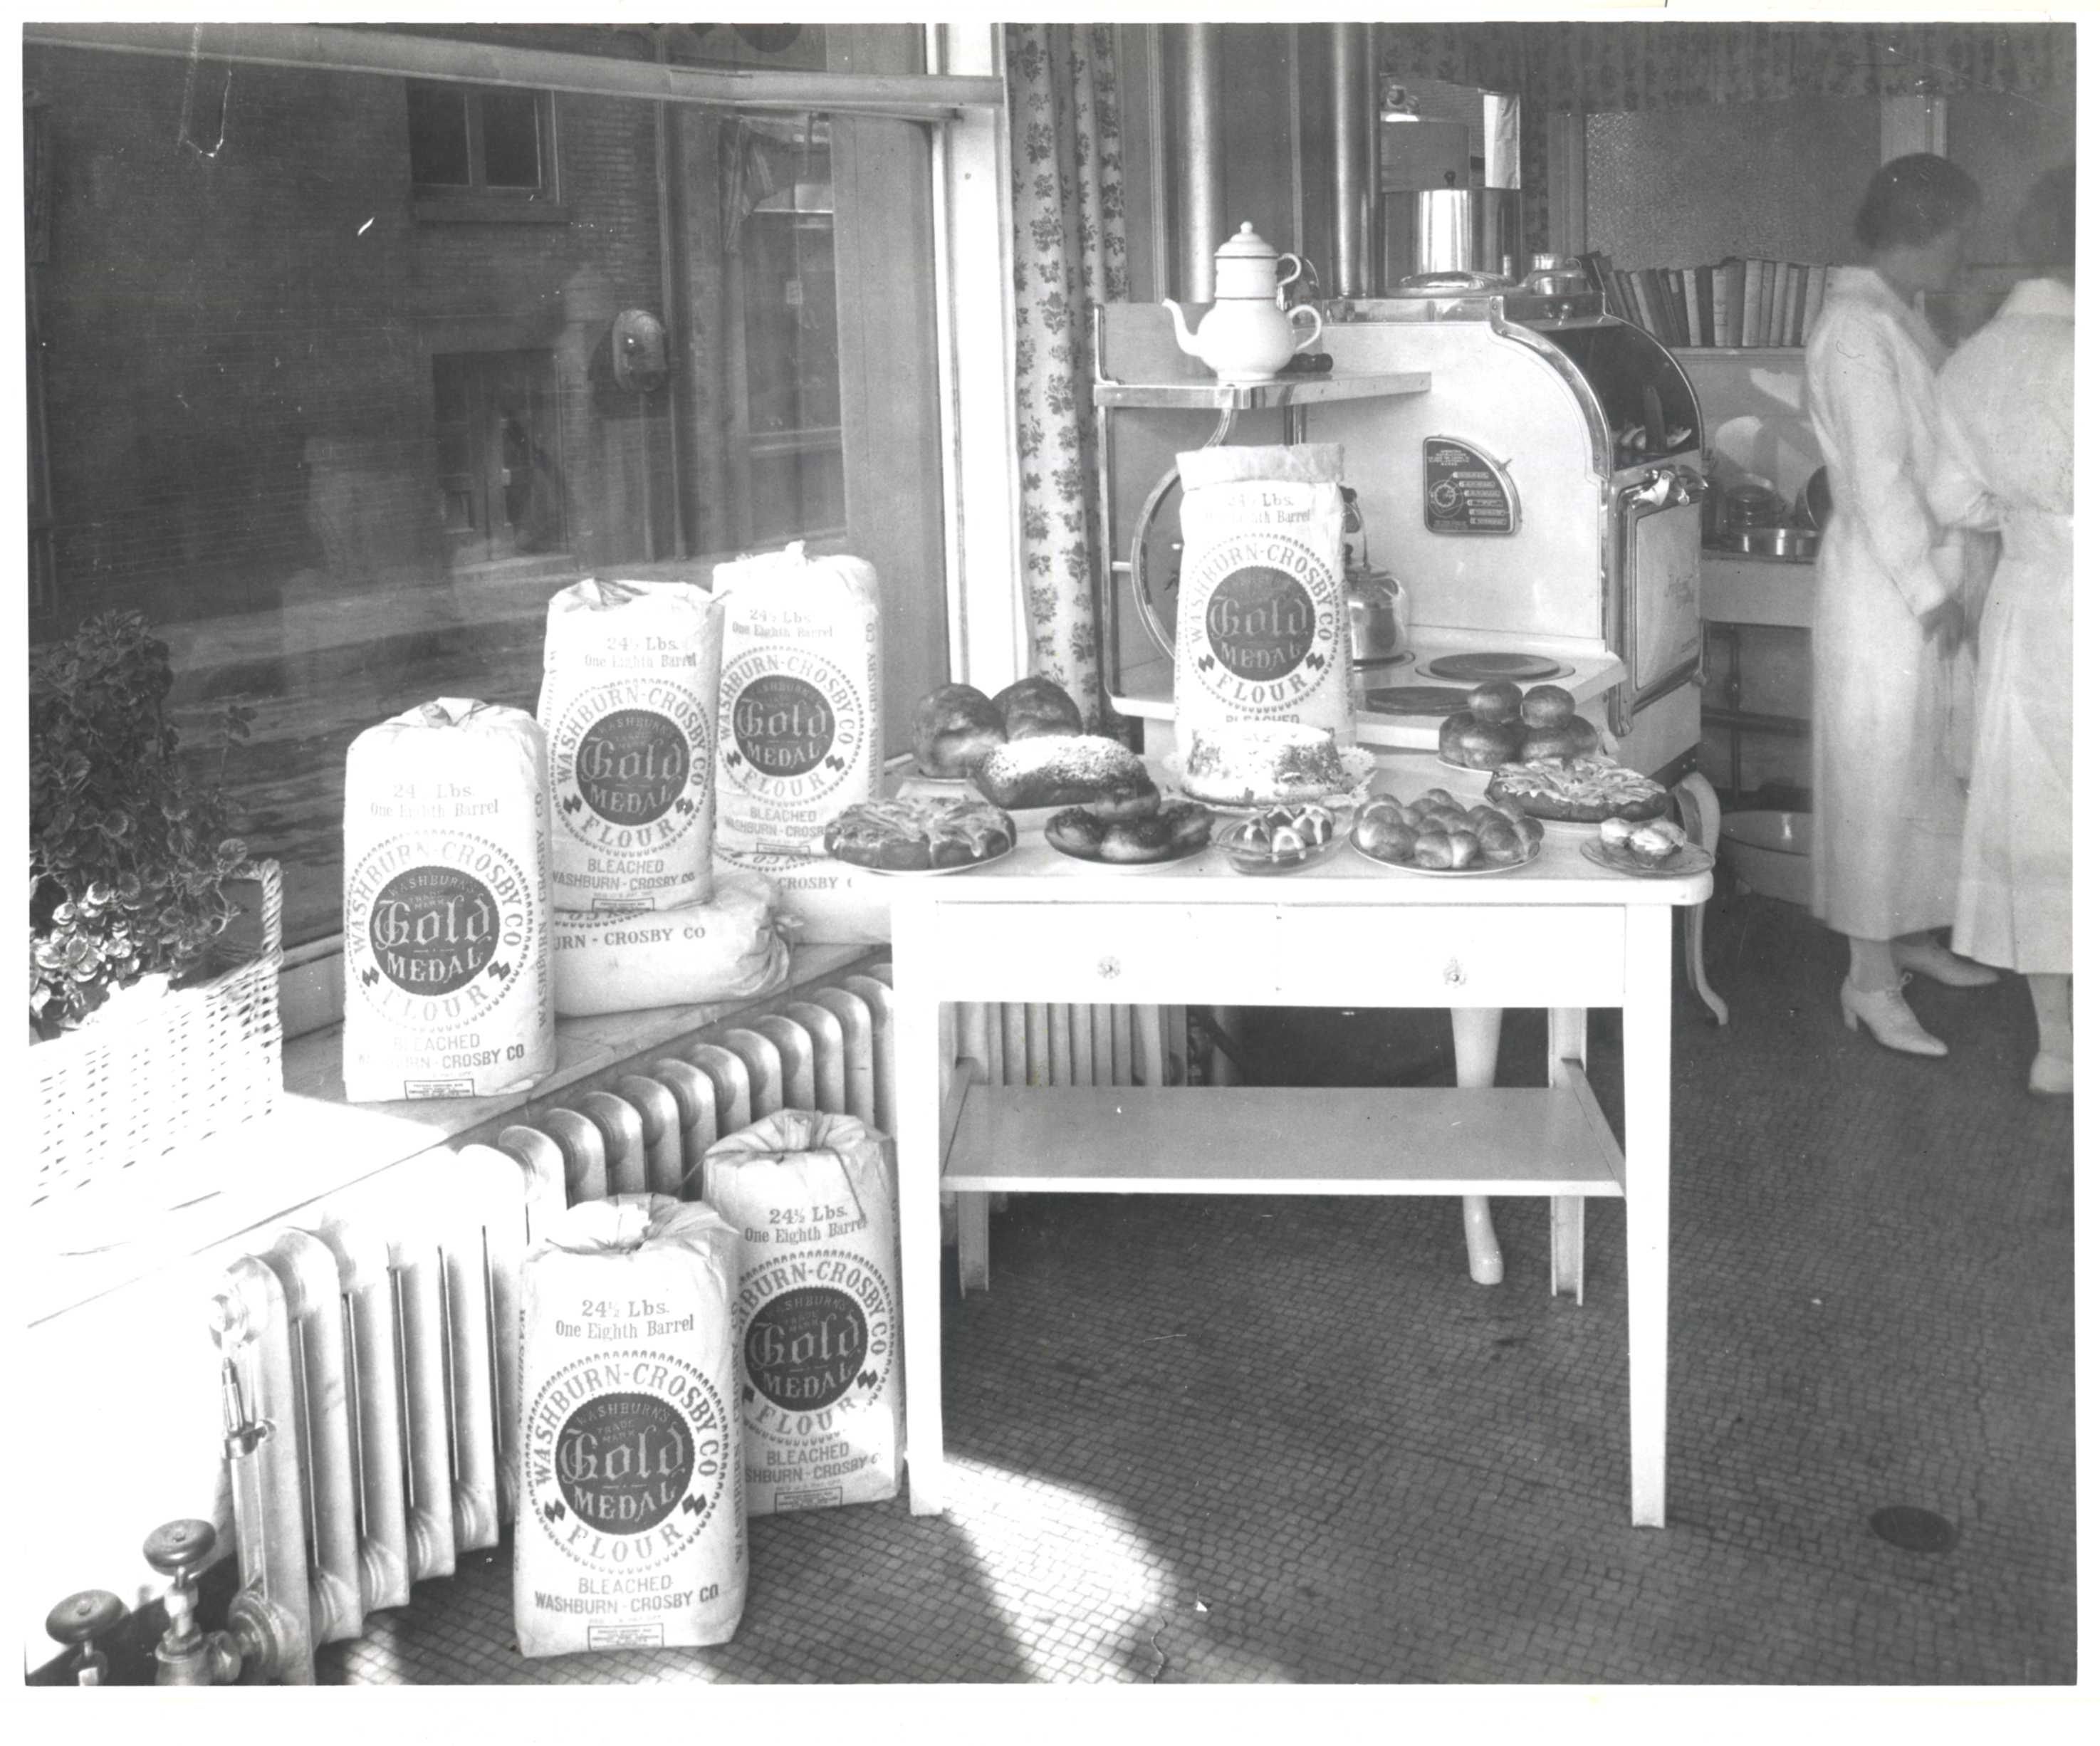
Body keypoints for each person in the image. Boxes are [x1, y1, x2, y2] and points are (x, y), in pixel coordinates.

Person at [1805, 152, 1997, 1058]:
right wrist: (1930, 595)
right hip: (1884, 590)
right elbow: (1881, 481)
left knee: (1922, 770)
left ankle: (1909, 936)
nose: (1965, 254)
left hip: (1913, 578)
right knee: (1878, 779)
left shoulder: (1897, 318)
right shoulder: (1854, 329)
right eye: (1956, 236)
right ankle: (1868, 978)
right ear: (1918, 233)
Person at [1928, 165, 2075, 1094]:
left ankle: (2058, 1045)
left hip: (2029, 597)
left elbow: (1951, 498)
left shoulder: (1976, 356)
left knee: (2039, 815)